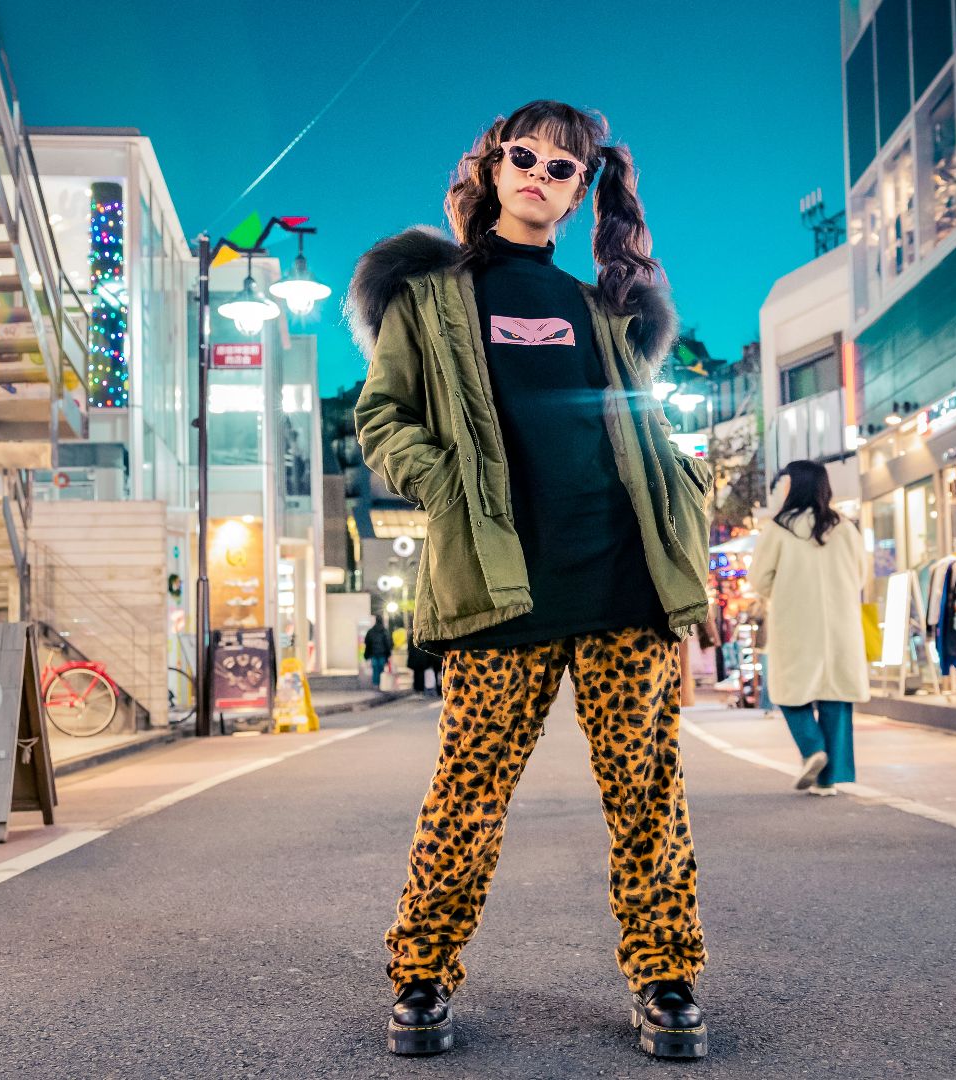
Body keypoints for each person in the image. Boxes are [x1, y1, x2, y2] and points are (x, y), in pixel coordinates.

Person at [350, 101, 712, 1060]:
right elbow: (382, 416)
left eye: (562, 168)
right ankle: (422, 973)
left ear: (580, 190)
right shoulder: (432, 298)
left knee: (646, 788)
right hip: (497, 585)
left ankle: (667, 975)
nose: (539, 176)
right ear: (493, 165)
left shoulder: (600, 307)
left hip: (623, 579)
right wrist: (443, 483)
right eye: (525, 156)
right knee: (469, 790)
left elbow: (633, 426)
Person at [749, 461, 870, 796]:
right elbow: (860, 575)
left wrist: (782, 591)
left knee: (788, 690)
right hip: (840, 625)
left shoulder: (778, 529)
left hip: (794, 621)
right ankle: (827, 779)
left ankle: (812, 747)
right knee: (836, 694)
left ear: (793, 486)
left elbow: (759, 579)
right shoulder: (844, 527)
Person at [363, 616, 391, 689]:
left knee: (375, 669)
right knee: (381, 669)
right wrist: (388, 654)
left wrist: (367, 654)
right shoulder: (384, 631)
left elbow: (367, 642)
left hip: (373, 654)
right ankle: (381, 684)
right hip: (382, 654)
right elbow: (388, 643)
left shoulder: (371, 631)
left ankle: (376, 684)